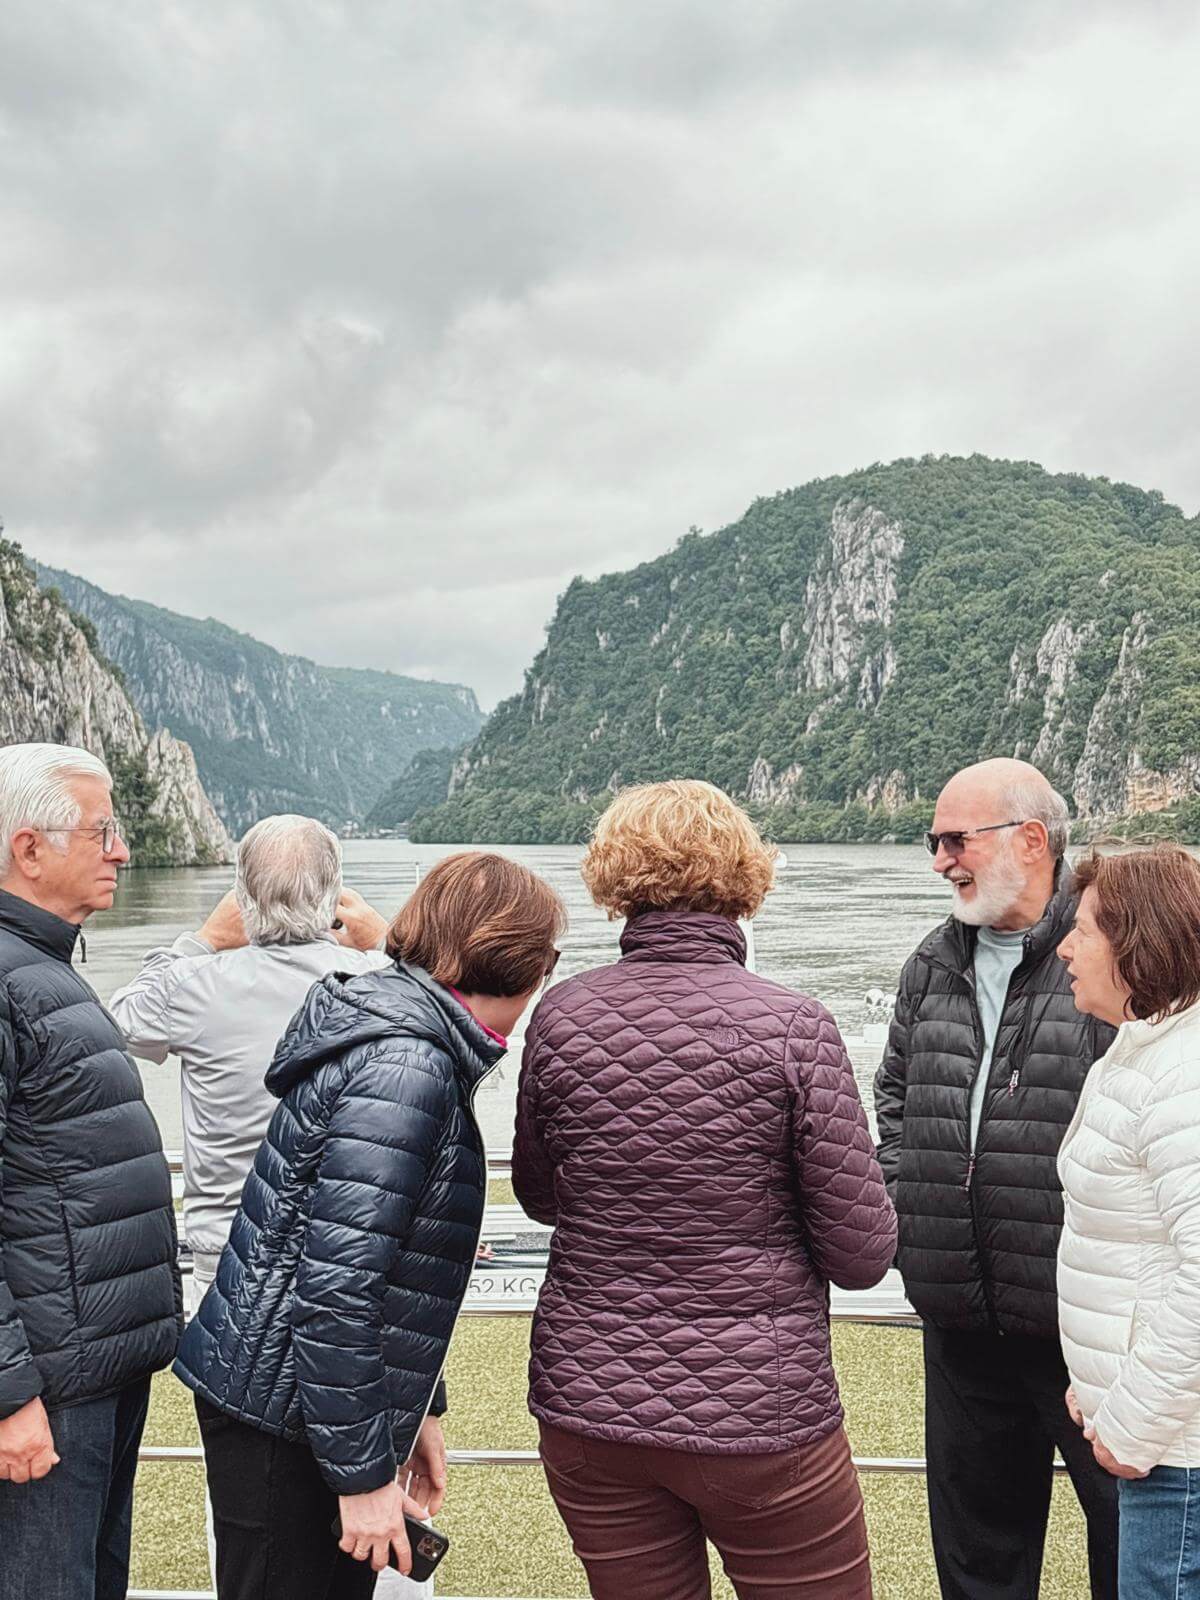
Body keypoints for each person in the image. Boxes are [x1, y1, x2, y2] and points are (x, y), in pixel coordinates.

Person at [513, 779, 896, 1600]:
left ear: (615, 879)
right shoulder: (794, 1025)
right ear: (745, 876)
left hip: (591, 1403)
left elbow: (541, 1197)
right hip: (761, 1411)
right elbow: (862, 1255)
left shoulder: (559, 1017)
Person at [174, 850, 566, 1600]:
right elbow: (336, 1289)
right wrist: (361, 1478)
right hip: (286, 1411)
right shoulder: (408, 1067)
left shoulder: (394, 1029)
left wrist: (418, 1410)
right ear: (517, 965)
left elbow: (388, 1261)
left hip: (302, 1400)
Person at [873, 757, 1118, 1600]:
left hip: (1087, 1327)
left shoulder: (1112, 954)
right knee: (978, 1562)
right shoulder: (932, 962)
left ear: (1032, 840)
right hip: (961, 1318)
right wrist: (909, 1208)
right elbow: (895, 1097)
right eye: (933, 843)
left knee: (1127, 1545)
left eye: (955, 841)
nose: (940, 861)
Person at [0, 742, 182, 1600]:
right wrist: (9, 1395)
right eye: (101, 831)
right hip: (47, 1384)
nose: (122, 851)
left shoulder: (43, 967)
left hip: (92, 1368)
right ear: (28, 849)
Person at [110, 814, 390, 1305]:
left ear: (241, 898)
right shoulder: (379, 982)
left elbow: (115, 1024)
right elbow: (453, 1018)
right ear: (334, 896)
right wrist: (387, 941)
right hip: (349, 1253)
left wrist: (202, 940)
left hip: (228, 1259)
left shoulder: (194, 986)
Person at [1057, 845, 1200, 1598]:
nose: (1064, 948)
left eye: (1083, 930)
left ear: (1137, 943)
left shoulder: (1181, 1077)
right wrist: (1097, 1381)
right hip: (1159, 1436)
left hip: (1176, 1453)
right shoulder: (1140, 1054)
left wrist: (1132, 1423)